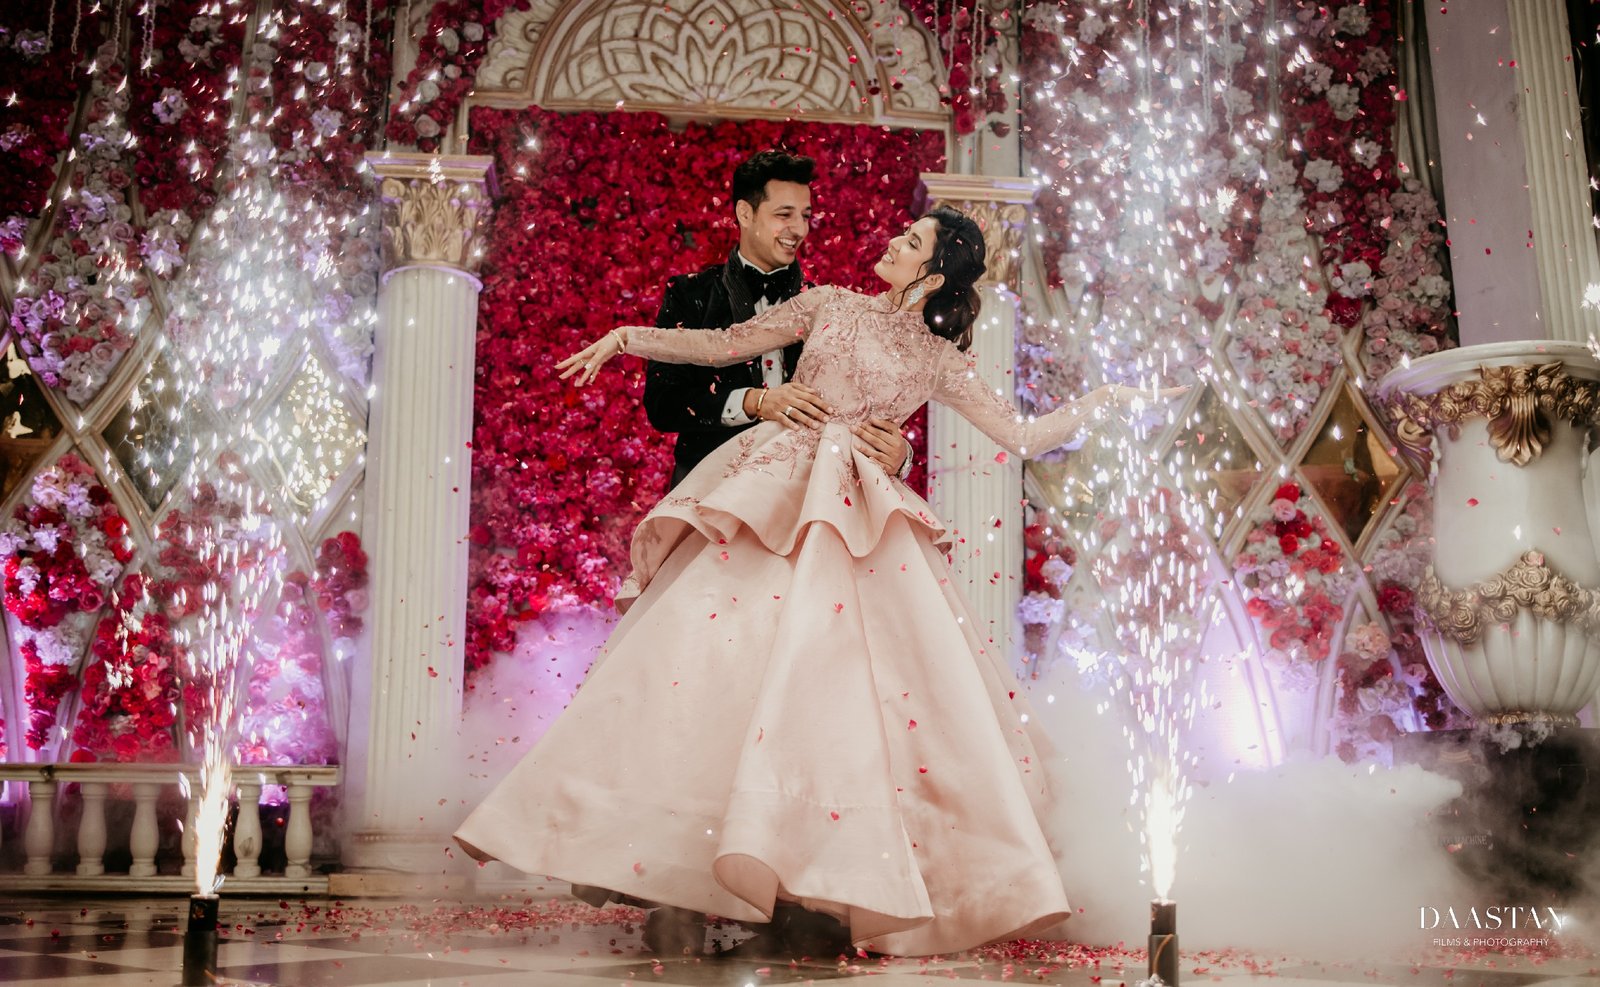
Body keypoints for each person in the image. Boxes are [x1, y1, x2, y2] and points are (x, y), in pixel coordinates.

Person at [456, 206, 1173, 957]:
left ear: (934, 272)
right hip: (778, 489)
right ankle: (679, 871)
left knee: (838, 696)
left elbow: (1022, 435)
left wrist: (1107, 403)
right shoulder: (829, 301)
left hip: (856, 512)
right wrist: (629, 338)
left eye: (911, 241)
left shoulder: (937, 358)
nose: (891, 243)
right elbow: (726, 345)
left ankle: (818, 881)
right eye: (898, 234)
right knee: (712, 664)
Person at [644, 149, 911, 489]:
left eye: (805, 215)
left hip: (801, 504)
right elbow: (662, 404)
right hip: (706, 498)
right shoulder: (689, 294)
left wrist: (902, 456)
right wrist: (756, 401)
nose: (798, 229)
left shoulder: (829, 306)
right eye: (784, 214)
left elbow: (863, 408)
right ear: (745, 212)